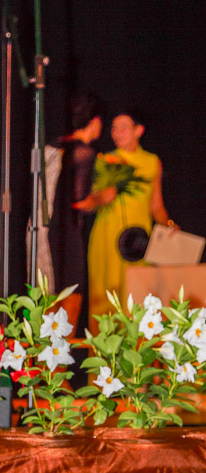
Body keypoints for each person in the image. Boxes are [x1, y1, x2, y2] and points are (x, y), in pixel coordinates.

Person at [75, 108, 174, 325]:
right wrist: (102, 197)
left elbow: (156, 205)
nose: (117, 133)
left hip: (138, 241)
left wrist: (169, 225)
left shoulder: (151, 161)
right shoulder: (104, 160)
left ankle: (137, 346)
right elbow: (87, 201)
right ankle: (104, 347)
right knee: (106, 302)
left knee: (138, 300)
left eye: (123, 127)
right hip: (107, 238)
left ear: (139, 130)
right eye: (114, 128)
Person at [49, 93, 104, 320]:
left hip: (45, 226)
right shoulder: (84, 152)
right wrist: (102, 198)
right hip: (67, 229)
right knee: (72, 291)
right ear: (95, 122)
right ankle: (63, 341)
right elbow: (79, 201)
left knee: (49, 290)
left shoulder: (56, 145)